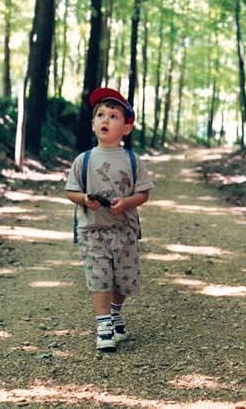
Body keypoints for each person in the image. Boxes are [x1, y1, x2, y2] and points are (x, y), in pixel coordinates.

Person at [65, 87, 154, 352]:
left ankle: (115, 310)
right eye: (100, 115)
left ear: (126, 128)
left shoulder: (133, 160)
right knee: (100, 277)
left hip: (124, 229)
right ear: (92, 124)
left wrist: (126, 203)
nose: (105, 120)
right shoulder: (84, 160)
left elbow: (143, 193)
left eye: (113, 116)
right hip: (92, 229)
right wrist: (84, 200)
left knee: (123, 280)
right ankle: (103, 325)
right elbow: (71, 191)